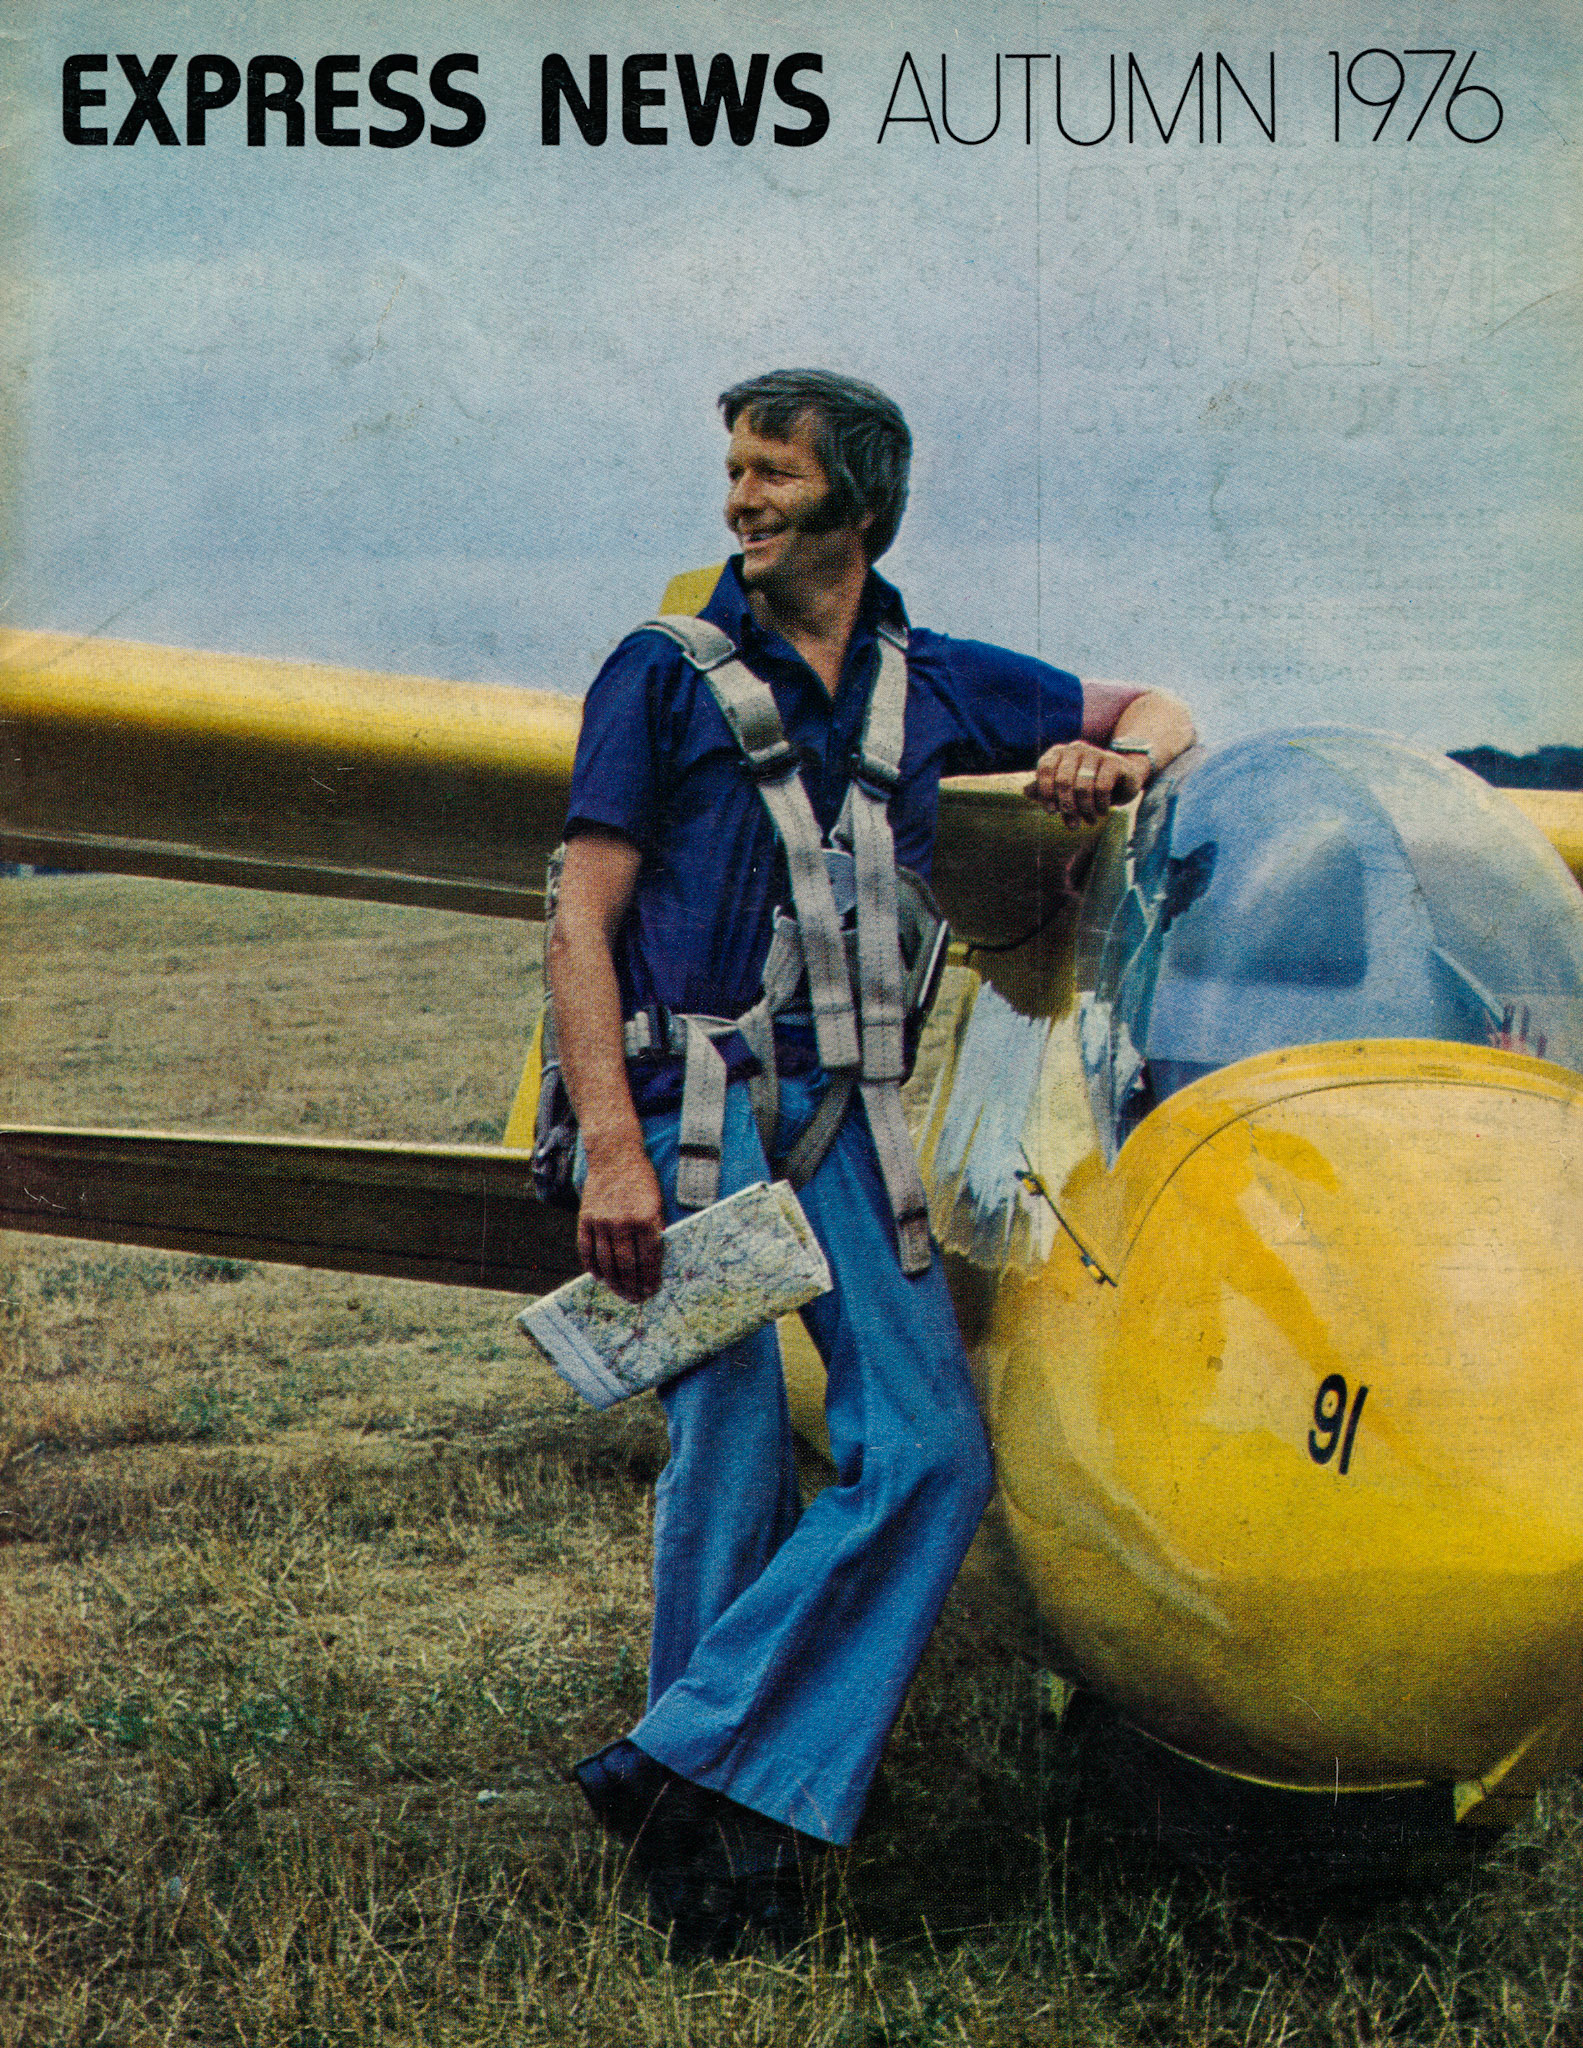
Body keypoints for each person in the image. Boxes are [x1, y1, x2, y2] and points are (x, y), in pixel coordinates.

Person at [548, 369, 1195, 1950]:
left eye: (773, 473)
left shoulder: (944, 678)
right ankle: (726, 1854)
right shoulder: (658, 673)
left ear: (861, 504)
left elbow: (1156, 711)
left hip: (854, 1119)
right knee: (737, 1446)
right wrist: (615, 1155)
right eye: (735, 470)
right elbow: (579, 916)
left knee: (933, 1454)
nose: (740, 499)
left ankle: (688, 1761)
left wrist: (1110, 766)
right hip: (697, 1115)